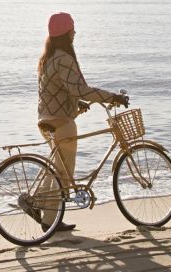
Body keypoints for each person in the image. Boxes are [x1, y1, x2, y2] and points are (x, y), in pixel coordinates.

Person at [34, 12, 128, 232]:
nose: (75, 33)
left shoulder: (48, 57)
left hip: (45, 119)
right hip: (61, 123)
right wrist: (111, 96)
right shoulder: (64, 58)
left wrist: (76, 104)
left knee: (56, 169)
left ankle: (38, 201)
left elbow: (58, 90)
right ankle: (49, 220)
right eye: (73, 30)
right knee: (64, 174)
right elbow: (79, 89)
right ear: (67, 33)